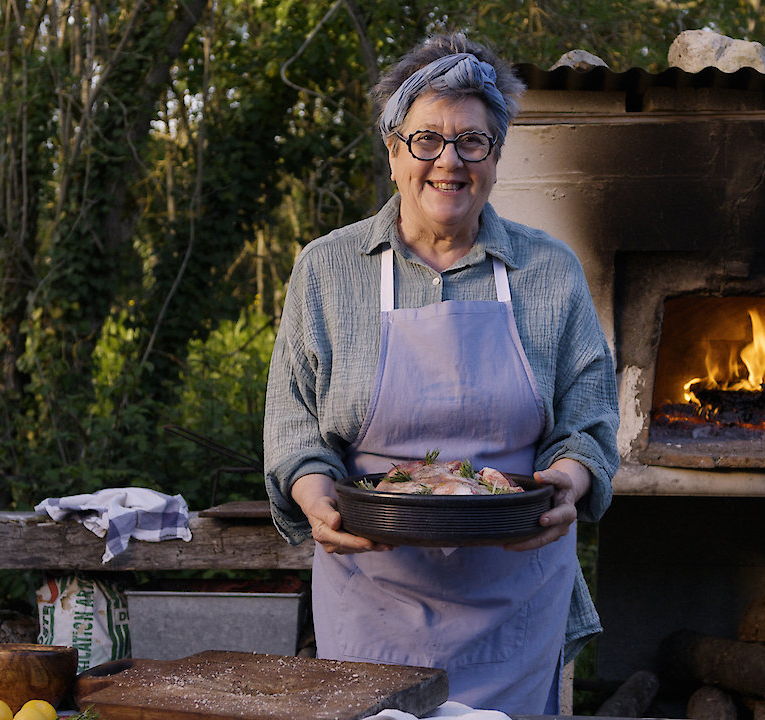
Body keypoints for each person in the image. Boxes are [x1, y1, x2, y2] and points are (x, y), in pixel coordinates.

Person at [263, 33, 620, 714]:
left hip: (513, 596)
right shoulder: (327, 270)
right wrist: (314, 497)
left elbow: (591, 420)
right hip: (372, 597)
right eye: (426, 139)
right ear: (393, 150)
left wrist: (568, 483)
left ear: (496, 156)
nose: (448, 161)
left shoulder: (550, 271)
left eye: (472, 142)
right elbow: (292, 425)